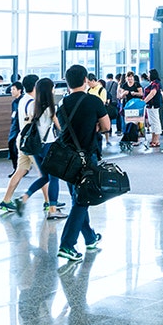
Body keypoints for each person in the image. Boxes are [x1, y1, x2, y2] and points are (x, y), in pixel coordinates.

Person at [56, 65, 111, 262]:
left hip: (66, 159)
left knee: (78, 198)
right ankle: (67, 244)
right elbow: (106, 127)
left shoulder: (62, 104)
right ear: (86, 79)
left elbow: (62, 128)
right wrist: (94, 126)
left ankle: (89, 237)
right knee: (82, 200)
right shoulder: (93, 101)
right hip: (87, 157)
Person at [15, 78, 66, 219]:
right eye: (53, 87)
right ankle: (53, 210)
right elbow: (60, 127)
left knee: (44, 177)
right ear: (49, 90)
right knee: (54, 178)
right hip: (49, 145)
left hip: (36, 147)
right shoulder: (51, 108)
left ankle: (24, 198)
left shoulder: (33, 106)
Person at [0, 75, 51, 212]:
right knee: (43, 173)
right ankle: (48, 202)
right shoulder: (32, 102)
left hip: (22, 140)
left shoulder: (23, 100)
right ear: (35, 86)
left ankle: (6, 200)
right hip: (32, 143)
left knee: (20, 171)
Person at [6, 80, 25, 175]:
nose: (11, 91)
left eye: (13, 89)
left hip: (20, 126)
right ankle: (16, 168)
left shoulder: (23, 100)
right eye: (11, 89)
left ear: (19, 90)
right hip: (14, 126)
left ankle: (20, 169)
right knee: (11, 144)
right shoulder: (14, 103)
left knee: (16, 148)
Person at [143, 69, 163, 150]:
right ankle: (153, 139)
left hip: (153, 105)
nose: (148, 76)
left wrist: (144, 101)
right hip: (150, 106)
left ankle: (156, 140)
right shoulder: (153, 83)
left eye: (149, 74)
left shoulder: (156, 83)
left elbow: (152, 93)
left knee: (155, 122)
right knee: (152, 123)